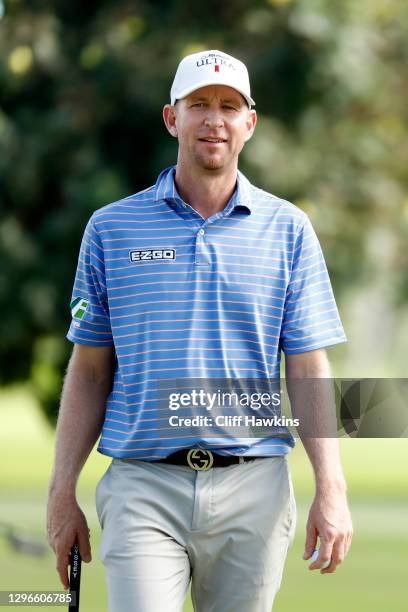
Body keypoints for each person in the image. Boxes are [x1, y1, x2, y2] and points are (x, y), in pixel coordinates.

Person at [47, 49, 353, 612]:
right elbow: (90, 370)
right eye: (200, 105)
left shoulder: (289, 230)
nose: (215, 119)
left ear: (249, 124)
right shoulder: (112, 228)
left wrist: (331, 489)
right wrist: (61, 491)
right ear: (173, 118)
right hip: (143, 484)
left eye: (229, 106)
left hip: (253, 488)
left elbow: (308, 367)